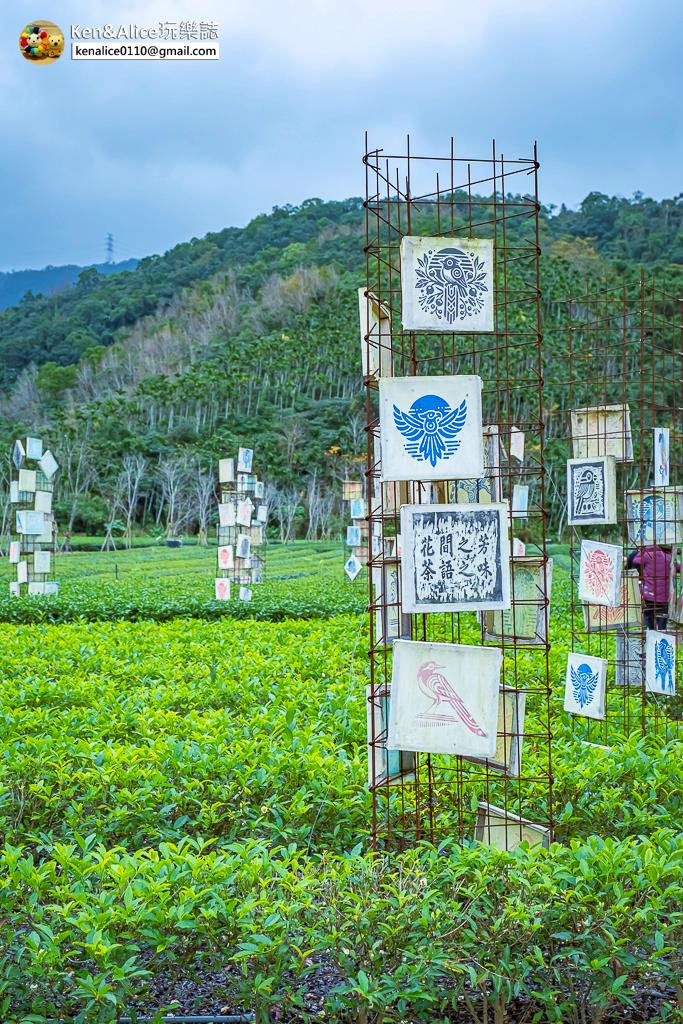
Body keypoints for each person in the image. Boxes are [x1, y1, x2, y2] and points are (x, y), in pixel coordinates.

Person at [627, 544, 677, 630]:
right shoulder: (669, 557)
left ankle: (650, 636)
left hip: (649, 596)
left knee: (648, 618)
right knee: (662, 622)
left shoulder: (646, 555)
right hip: (664, 598)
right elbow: (678, 567)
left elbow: (634, 560)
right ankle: (661, 634)